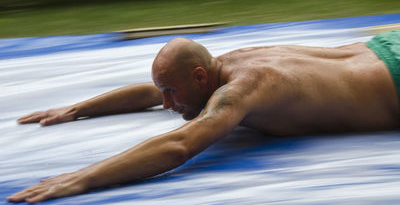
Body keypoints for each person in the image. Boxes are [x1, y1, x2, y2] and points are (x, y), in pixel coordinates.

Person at [7, 31, 400, 204]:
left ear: (199, 77)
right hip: (381, 45)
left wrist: (83, 177)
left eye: (172, 93)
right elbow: (150, 91)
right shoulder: (216, 67)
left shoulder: (242, 86)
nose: (165, 104)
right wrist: (78, 109)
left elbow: (181, 145)